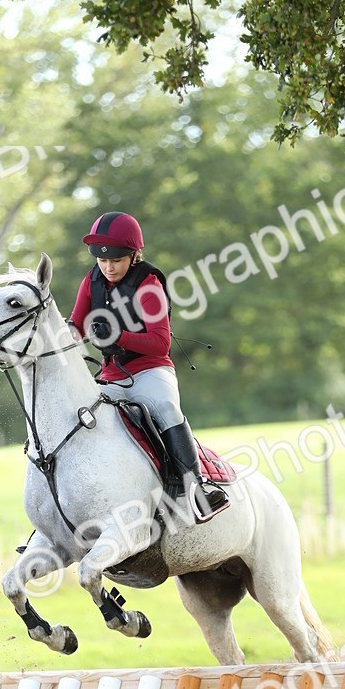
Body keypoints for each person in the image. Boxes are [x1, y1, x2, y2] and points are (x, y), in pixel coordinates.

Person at [69, 211, 229, 523]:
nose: (108, 267)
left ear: (133, 254)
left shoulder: (149, 282)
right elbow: (76, 325)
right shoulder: (92, 279)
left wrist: (119, 335)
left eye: (116, 259)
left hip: (150, 370)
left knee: (167, 408)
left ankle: (198, 490)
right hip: (111, 375)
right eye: (102, 260)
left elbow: (160, 343)